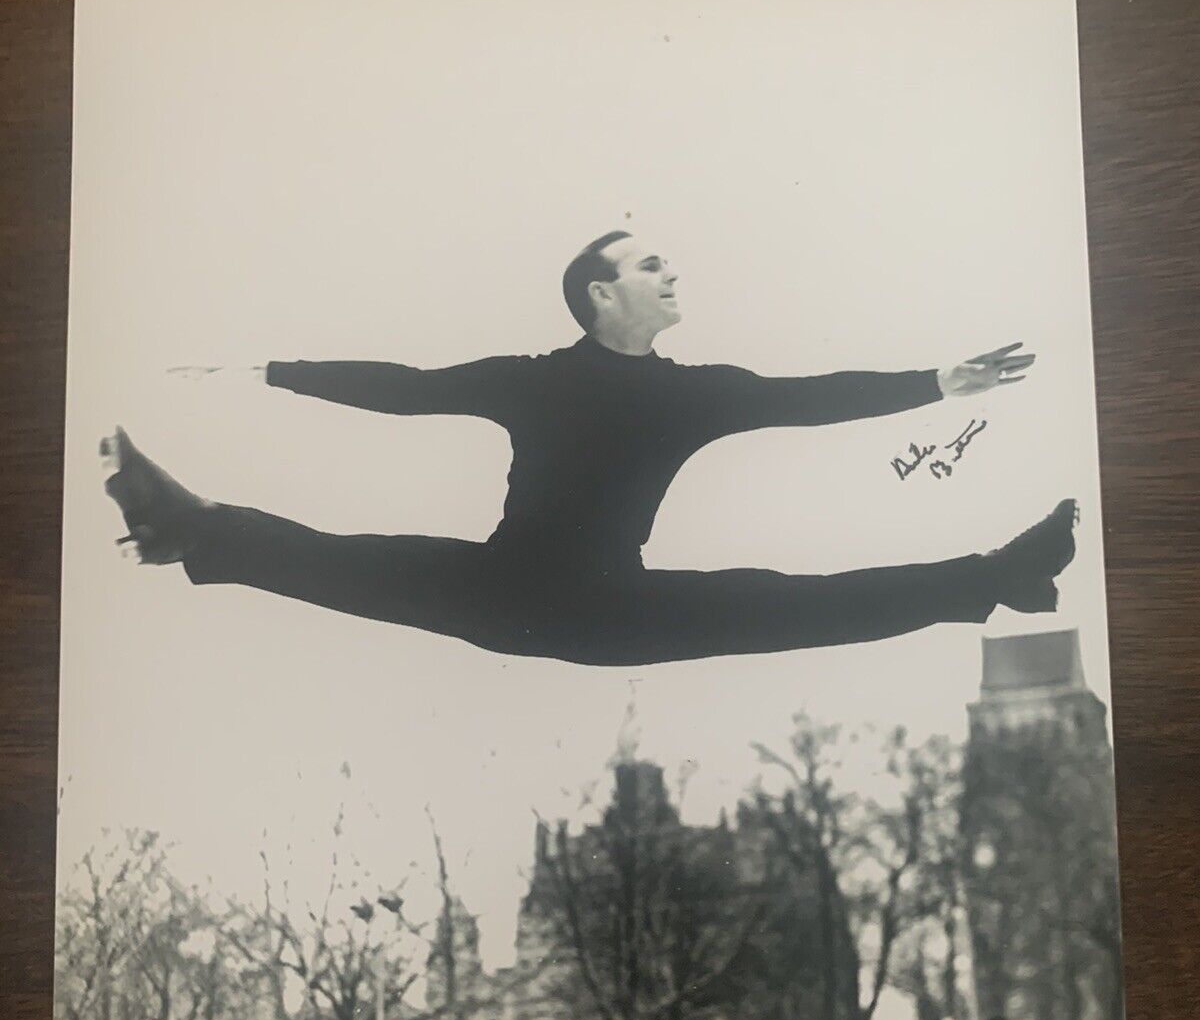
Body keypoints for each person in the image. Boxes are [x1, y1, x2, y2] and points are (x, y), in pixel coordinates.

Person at [102, 230, 1077, 667]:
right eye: (651, 264)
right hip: (507, 590)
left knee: (793, 603)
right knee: (347, 558)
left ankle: (1003, 576)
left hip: (612, 606)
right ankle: (176, 526)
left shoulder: (691, 396)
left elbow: (806, 399)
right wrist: (265, 370)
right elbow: (403, 389)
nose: (672, 272)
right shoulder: (534, 376)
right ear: (602, 294)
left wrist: (939, 383)